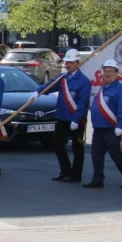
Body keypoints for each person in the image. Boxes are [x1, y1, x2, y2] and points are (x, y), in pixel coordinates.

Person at [30, 49, 91, 183]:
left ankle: (76, 175)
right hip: (62, 117)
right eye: (66, 62)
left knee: (77, 148)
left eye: (70, 63)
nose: (68, 65)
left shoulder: (83, 81)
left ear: (77, 63)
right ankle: (65, 171)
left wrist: (77, 119)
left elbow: (83, 103)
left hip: (77, 120)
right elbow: (50, 86)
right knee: (57, 144)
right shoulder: (63, 78)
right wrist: (38, 92)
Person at [85, 59, 122, 189]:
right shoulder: (103, 88)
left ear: (116, 74)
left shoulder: (120, 89)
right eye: (106, 71)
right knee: (96, 155)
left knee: (116, 154)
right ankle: (98, 179)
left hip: (112, 129)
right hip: (99, 129)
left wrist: (120, 125)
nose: (108, 74)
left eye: (111, 71)